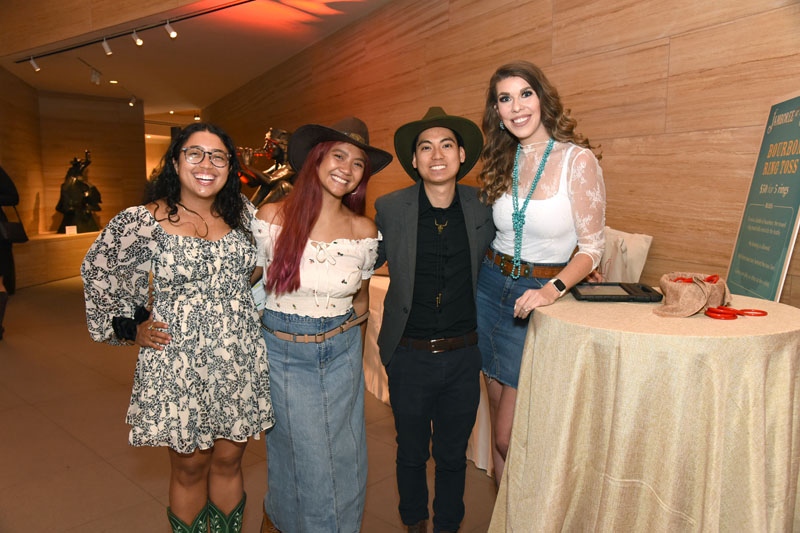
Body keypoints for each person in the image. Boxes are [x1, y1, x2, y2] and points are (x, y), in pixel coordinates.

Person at [81, 122, 275, 533]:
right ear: (175, 161)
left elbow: (268, 262)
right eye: (195, 153)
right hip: (177, 361)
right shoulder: (144, 220)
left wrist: (236, 301)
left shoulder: (245, 214)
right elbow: (99, 271)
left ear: (230, 166)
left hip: (236, 356)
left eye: (218, 156)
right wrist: (131, 326)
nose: (207, 164)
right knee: (191, 467)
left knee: (228, 460)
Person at [253, 117, 392, 533]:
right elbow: (251, 288)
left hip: (343, 351)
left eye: (358, 164)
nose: (347, 169)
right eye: (339, 156)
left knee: (346, 457)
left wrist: (355, 356)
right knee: (306, 457)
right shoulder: (271, 218)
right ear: (316, 158)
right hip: (283, 351)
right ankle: (285, 522)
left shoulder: (364, 231)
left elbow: (362, 300)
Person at [476, 60, 606, 483]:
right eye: (505, 98)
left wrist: (551, 290)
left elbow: (592, 249)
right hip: (490, 288)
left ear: (542, 98)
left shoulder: (577, 160)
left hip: (538, 294)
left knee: (508, 437)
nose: (516, 107)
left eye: (525, 93)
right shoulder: (501, 159)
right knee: (496, 415)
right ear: (496, 110)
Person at [374, 107, 495, 533]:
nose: (436, 154)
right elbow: (357, 257)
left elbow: (516, 252)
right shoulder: (389, 207)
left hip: (463, 354)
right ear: (414, 160)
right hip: (408, 354)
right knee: (409, 451)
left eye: (446, 145)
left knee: (451, 454)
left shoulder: (485, 207)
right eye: (425, 147)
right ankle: (414, 524)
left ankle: (448, 525)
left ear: (461, 155)